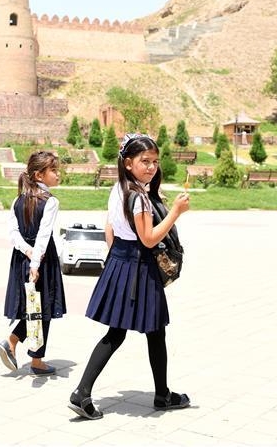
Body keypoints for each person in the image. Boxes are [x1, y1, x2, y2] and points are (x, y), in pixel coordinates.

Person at [69, 133, 191, 420]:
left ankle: (85, 392)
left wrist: (118, 263)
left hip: (121, 262)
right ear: (127, 163)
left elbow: (109, 229)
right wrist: (175, 212)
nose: (151, 167)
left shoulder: (119, 190)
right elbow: (148, 239)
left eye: (155, 161)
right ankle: (159, 395)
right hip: (139, 266)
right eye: (144, 161)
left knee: (126, 332)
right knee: (150, 331)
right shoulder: (139, 198)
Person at [0, 151, 66, 376]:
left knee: (32, 307)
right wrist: (35, 262)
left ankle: (35, 359)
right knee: (42, 308)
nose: (58, 174)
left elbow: (13, 233)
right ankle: (13, 342)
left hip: (21, 258)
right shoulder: (50, 201)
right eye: (53, 171)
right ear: (39, 175)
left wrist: (27, 251)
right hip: (42, 260)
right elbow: (44, 235)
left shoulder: (19, 199)